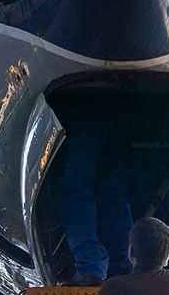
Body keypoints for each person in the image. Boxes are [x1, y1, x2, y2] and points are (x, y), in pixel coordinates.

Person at [54, 108, 134, 284]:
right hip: (125, 99)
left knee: (77, 187)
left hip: (90, 98)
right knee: (111, 194)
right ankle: (127, 269)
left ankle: (92, 267)